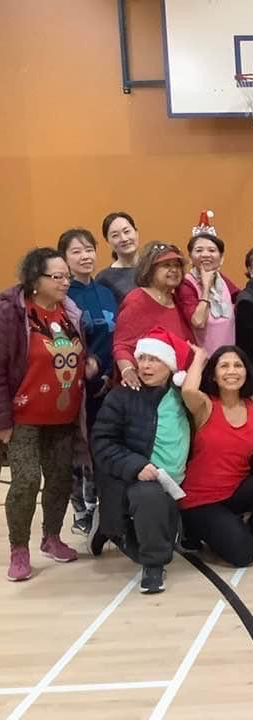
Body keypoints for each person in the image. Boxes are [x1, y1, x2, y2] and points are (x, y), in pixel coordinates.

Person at [1, 248, 86, 581]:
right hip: (23, 417)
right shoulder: (11, 313)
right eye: (57, 277)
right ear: (35, 280)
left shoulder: (70, 312)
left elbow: (75, 352)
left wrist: (89, 363)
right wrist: (3, 420)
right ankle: (19, 549)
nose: (65, 282)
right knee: (25, 481)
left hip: (63, 416)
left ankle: (52, 537)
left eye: (67, 276)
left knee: (61, 479)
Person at [90, 328, 192, 593]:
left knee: (172, 531)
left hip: (177, 481)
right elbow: (102, 442)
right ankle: (153, 566)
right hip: (138, 477)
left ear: (170, 366)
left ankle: (108, 525)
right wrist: (136, 466)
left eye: (154, 359)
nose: (145, 365)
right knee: (150, 501)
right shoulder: (121, 396)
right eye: (142, 358)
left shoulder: (184, 395)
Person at [178, 345, 253, 565]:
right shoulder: (205, 405)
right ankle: (194, 528)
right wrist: (200, 357)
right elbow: (188, 391)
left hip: (234, 494)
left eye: (238, 365)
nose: (232, 371)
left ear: (246, 372)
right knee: (244, 555)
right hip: (200, 501)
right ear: (214, 375)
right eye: (224, 366)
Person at [58, 228, 118, 535]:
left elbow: (117, 336)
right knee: (78, 448)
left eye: (89, 249)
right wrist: (86, 365)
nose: (85, 256)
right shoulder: (63, 296)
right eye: (76, 251)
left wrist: (109, 373)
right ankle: (81, 510)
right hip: (77, 387)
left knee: (102, 446)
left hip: (109, 384)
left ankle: (102, 506)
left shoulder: (106, 291)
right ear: (65, 259)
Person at [113, 242, 194, 391]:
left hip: (177, 386)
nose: (174, 270)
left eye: (177, 265)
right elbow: (122, 345)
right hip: (147, 388)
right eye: (166, 265)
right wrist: (127, 370)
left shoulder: (177, 300)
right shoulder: (137, 300)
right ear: (149, 270)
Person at [177, 226, 241, 355]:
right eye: (199, 250)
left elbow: (240, 298)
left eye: (212, 250)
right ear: (190, 257)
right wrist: (206, 288)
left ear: (221, 258)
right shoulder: (186, 284)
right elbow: (198, 322)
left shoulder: (220, 279)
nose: (206, 255)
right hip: (202, 358)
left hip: (228, 355)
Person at [97, 211, 140, 303]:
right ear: (108, 242)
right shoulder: (104, 279)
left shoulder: (154, 268)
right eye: (115, 235)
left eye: (127, 231)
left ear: (136, 232)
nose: (124, 239)